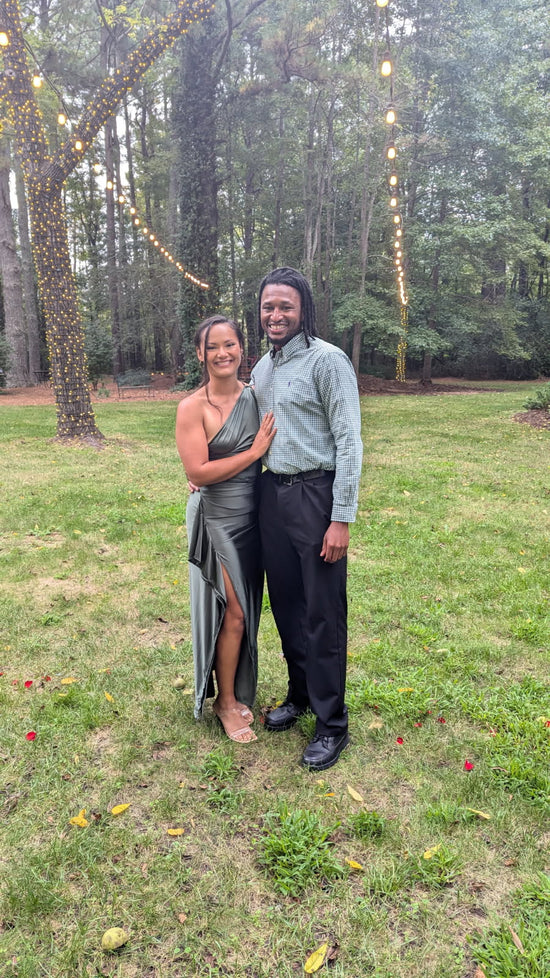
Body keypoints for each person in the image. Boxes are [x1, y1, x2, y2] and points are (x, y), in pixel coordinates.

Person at [251, 267, 363, 771]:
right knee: (287, 604)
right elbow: (246, 432)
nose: (276, 315)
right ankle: (299, 695)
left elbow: (349, 442)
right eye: (268, 307)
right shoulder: (262, 370)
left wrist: (340, 518)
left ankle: (332, 723)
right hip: (271, 498)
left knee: (322, 611)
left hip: (315, 497)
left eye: (285, 307)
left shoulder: (328, 361)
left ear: (303, 310)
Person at [176, 315, 276, 743]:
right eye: (213, 346)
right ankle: (224, 702)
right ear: (201, 354)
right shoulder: (191, 407)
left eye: (230, 344)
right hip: (216, 521)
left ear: (241, 349)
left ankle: (233, 691)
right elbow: (197, 469)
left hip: (255, 519)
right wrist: (253, 452)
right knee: (232, 611)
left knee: (244, 613)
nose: (223, 353)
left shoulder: (256, 397)